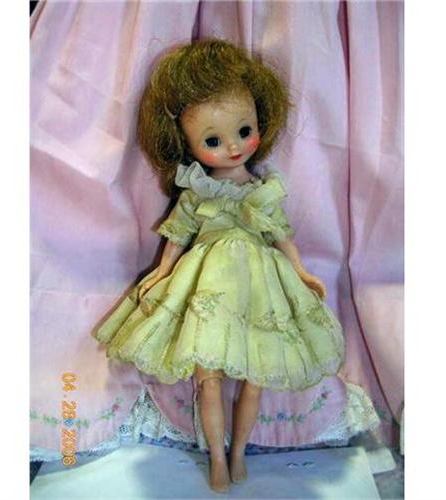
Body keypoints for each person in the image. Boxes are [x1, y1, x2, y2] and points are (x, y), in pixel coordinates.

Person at [94, 39, 344, 493]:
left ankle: (239, 452)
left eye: (243, 130)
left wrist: (302, 272)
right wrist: (162, 271)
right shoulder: (197, 190)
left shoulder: (263, 190)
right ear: (186, 143)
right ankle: (215, 457)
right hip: (206, 283)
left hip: (259, 288)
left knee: (254, 377)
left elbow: (282, 233)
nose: (233, 146)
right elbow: (178, 233)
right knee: (207, 380)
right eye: (212, 140)